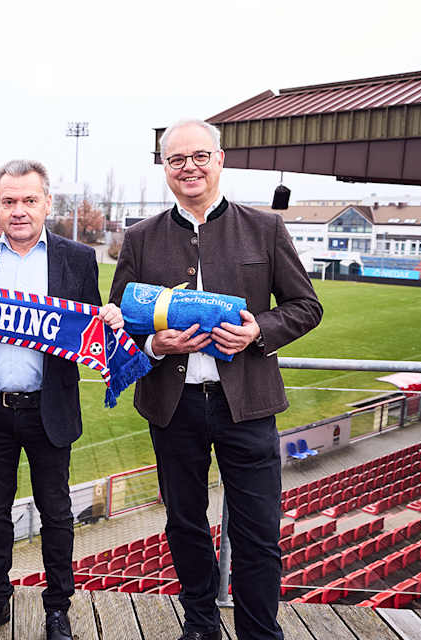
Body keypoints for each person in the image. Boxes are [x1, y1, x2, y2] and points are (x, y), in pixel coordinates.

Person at [108, 119, 322, 640]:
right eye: (177, 160)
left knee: (257, 534)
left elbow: (306, 306)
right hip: (172, 406)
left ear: (220, 159)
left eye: (200, 156)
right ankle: (200, 626)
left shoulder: (265, 228)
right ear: (164, 169)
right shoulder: (140, 238)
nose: (190, 168)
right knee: (185, 525)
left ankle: (258, 632)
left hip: (247, 406)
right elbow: (114, 321)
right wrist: (153, 345)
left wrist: (257, 332)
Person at [0, 160, 122, 640]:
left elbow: (91, 330)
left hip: (49, 409)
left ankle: (58, 607)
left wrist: (110, 320)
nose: (18, 210)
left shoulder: (77, 259)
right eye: (9, 201)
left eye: (29, 200)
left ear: (47, 203)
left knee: (56, 513)